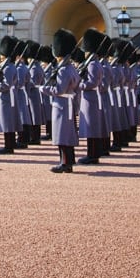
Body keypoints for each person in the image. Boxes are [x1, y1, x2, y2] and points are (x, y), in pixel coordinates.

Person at [40, 28, 80, 173]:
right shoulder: (69, 67)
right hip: (66, 104)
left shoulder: (63, 70)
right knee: (67, 134)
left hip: (62, 104)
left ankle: (64, 163)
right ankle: (68, 161)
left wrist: (43, 89)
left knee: (62, 134)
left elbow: (59, 90)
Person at [77, 28, 108, 165]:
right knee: (92, 127)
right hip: (92, 98)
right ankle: (92, 153)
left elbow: (92, 83)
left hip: (91, 99)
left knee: (92, 127)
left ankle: (92, 155)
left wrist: (79, 84)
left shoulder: (93, 65)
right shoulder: (94, 63)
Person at [0, 35, 21, 155]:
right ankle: (10, 143)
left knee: (8, 121)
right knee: (7, 121)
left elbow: (6, 85)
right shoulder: (7, 66)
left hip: (6, 97)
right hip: (6, 97)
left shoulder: (9, 67)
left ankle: (9, 146)